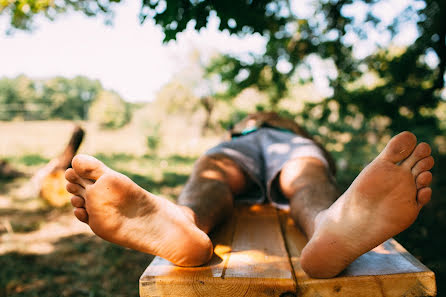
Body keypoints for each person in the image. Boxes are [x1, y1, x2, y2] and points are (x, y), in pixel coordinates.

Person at [64, 112, 434, 278]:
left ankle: (185, 218)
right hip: (288, 145)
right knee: (304, 177)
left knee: (217, 177)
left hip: (246, 146)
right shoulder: (289, 132)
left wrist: (248, 127)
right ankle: (326, 222)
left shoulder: (250, 129)